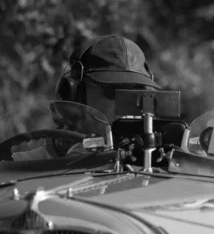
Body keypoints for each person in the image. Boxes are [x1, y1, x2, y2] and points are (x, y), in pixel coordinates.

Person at [10, 34, 161, 160]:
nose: (130, 102)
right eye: (114, 92)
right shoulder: (21, 169)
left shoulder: (156, 165)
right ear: (75, 96)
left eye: (138, 92)